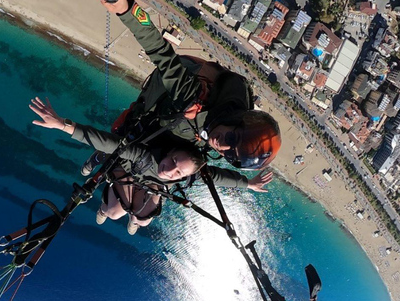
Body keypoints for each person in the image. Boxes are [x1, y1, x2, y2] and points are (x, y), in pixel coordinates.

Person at [95, 0, 282, 172]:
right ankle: (107, 154)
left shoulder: (220, 125)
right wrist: (126, 10)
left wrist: (247, 184)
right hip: (159, 105)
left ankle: (110, 156)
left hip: (164, 128)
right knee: (127, 133)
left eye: (231, 156)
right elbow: (161, 52)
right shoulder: (193, 98)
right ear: (236, 119)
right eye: (232, 139)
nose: (223, 147)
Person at [29, 97, 272, 235]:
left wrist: (248, 183)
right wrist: (63, 124)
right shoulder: (145, 156)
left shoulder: (187, 175)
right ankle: (101, 170)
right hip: (130, 168)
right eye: (173, 161)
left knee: (143, 218)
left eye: (178, 172)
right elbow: (109, 142)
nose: (170, 170)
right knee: (115, 212)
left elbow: (216, 177)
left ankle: (133, 218)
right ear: (170, 152)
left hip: (149, 185)